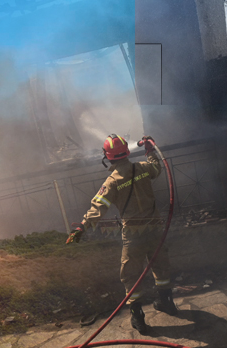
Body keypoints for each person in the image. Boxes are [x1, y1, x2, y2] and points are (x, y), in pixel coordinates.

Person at [66, 134, 176, 334]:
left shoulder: (112, 181)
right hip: (154, 229)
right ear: (126, 152)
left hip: (133, 235)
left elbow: (99, 206)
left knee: (130, 275)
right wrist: (150, 151)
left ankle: (138, 318)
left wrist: (82, 227)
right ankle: (167, 302)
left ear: (107, 157)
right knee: (161, 265)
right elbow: (157, 168)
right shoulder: (143, 168)